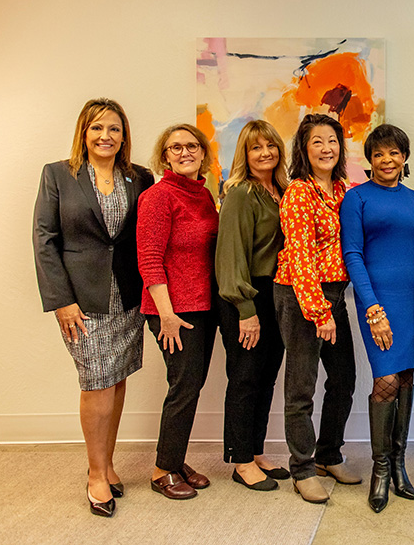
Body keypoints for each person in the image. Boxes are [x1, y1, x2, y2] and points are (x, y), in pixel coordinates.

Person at [33, 98, 154, 518]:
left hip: (128, 295)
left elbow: (152, 229)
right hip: (81, 299)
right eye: (98, 128)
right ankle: (95, 474)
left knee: (116, 379)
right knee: (96, 382)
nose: (106, 136)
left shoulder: (140, 177)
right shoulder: (58, 175)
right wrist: (61, 301)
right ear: (84, 132)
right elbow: (44, 239)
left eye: (115, 129)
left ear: (124, 136)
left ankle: (108, 463)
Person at [274, 114, 359, 504]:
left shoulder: (344, 190)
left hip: (336, 293)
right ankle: (303, 468)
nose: (327, 148)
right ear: (304, 150)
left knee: (343, 379)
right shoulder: (298, 193)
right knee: (301, 386)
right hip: (300, 293)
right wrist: (320, 312)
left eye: (332, 141)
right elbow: (302, 256)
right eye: (317, 142)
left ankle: (329, 454)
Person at [340, 124, 414, 513]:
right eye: (378, 154)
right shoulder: (356, 198)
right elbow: (353, 254)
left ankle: (399, 465)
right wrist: (373, 308)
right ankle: (380, 469)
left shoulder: (413, 198)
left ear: (404, 157)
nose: (386, 160)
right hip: (377, 299)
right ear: (369, 160)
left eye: (394, 153)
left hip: (410, 298)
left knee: (405, 375)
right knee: (385, 379)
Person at [137, 123, 219, 500]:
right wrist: (166, 314)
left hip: (202, 306)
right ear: (165, 156)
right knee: (183, 387)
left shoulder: (203, 195)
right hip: (173, 311)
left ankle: (175, 458)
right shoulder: (157, 197)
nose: (184, 152)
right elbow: (149, 258)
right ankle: (161, 469)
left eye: (191, 146)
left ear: (203, 152)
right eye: (175, 148)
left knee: (191, 385)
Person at [215, 120, 290, 492]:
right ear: (245, 154)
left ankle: (256, 450)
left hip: (277, 294)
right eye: (256, 147)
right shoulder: (241, 193)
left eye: (271, 145)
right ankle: (240, 459)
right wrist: (246, 310)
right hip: (246, 294)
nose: (266, 153)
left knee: (266, 376)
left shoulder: (281, 190)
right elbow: (229, 256)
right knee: (245, 377)